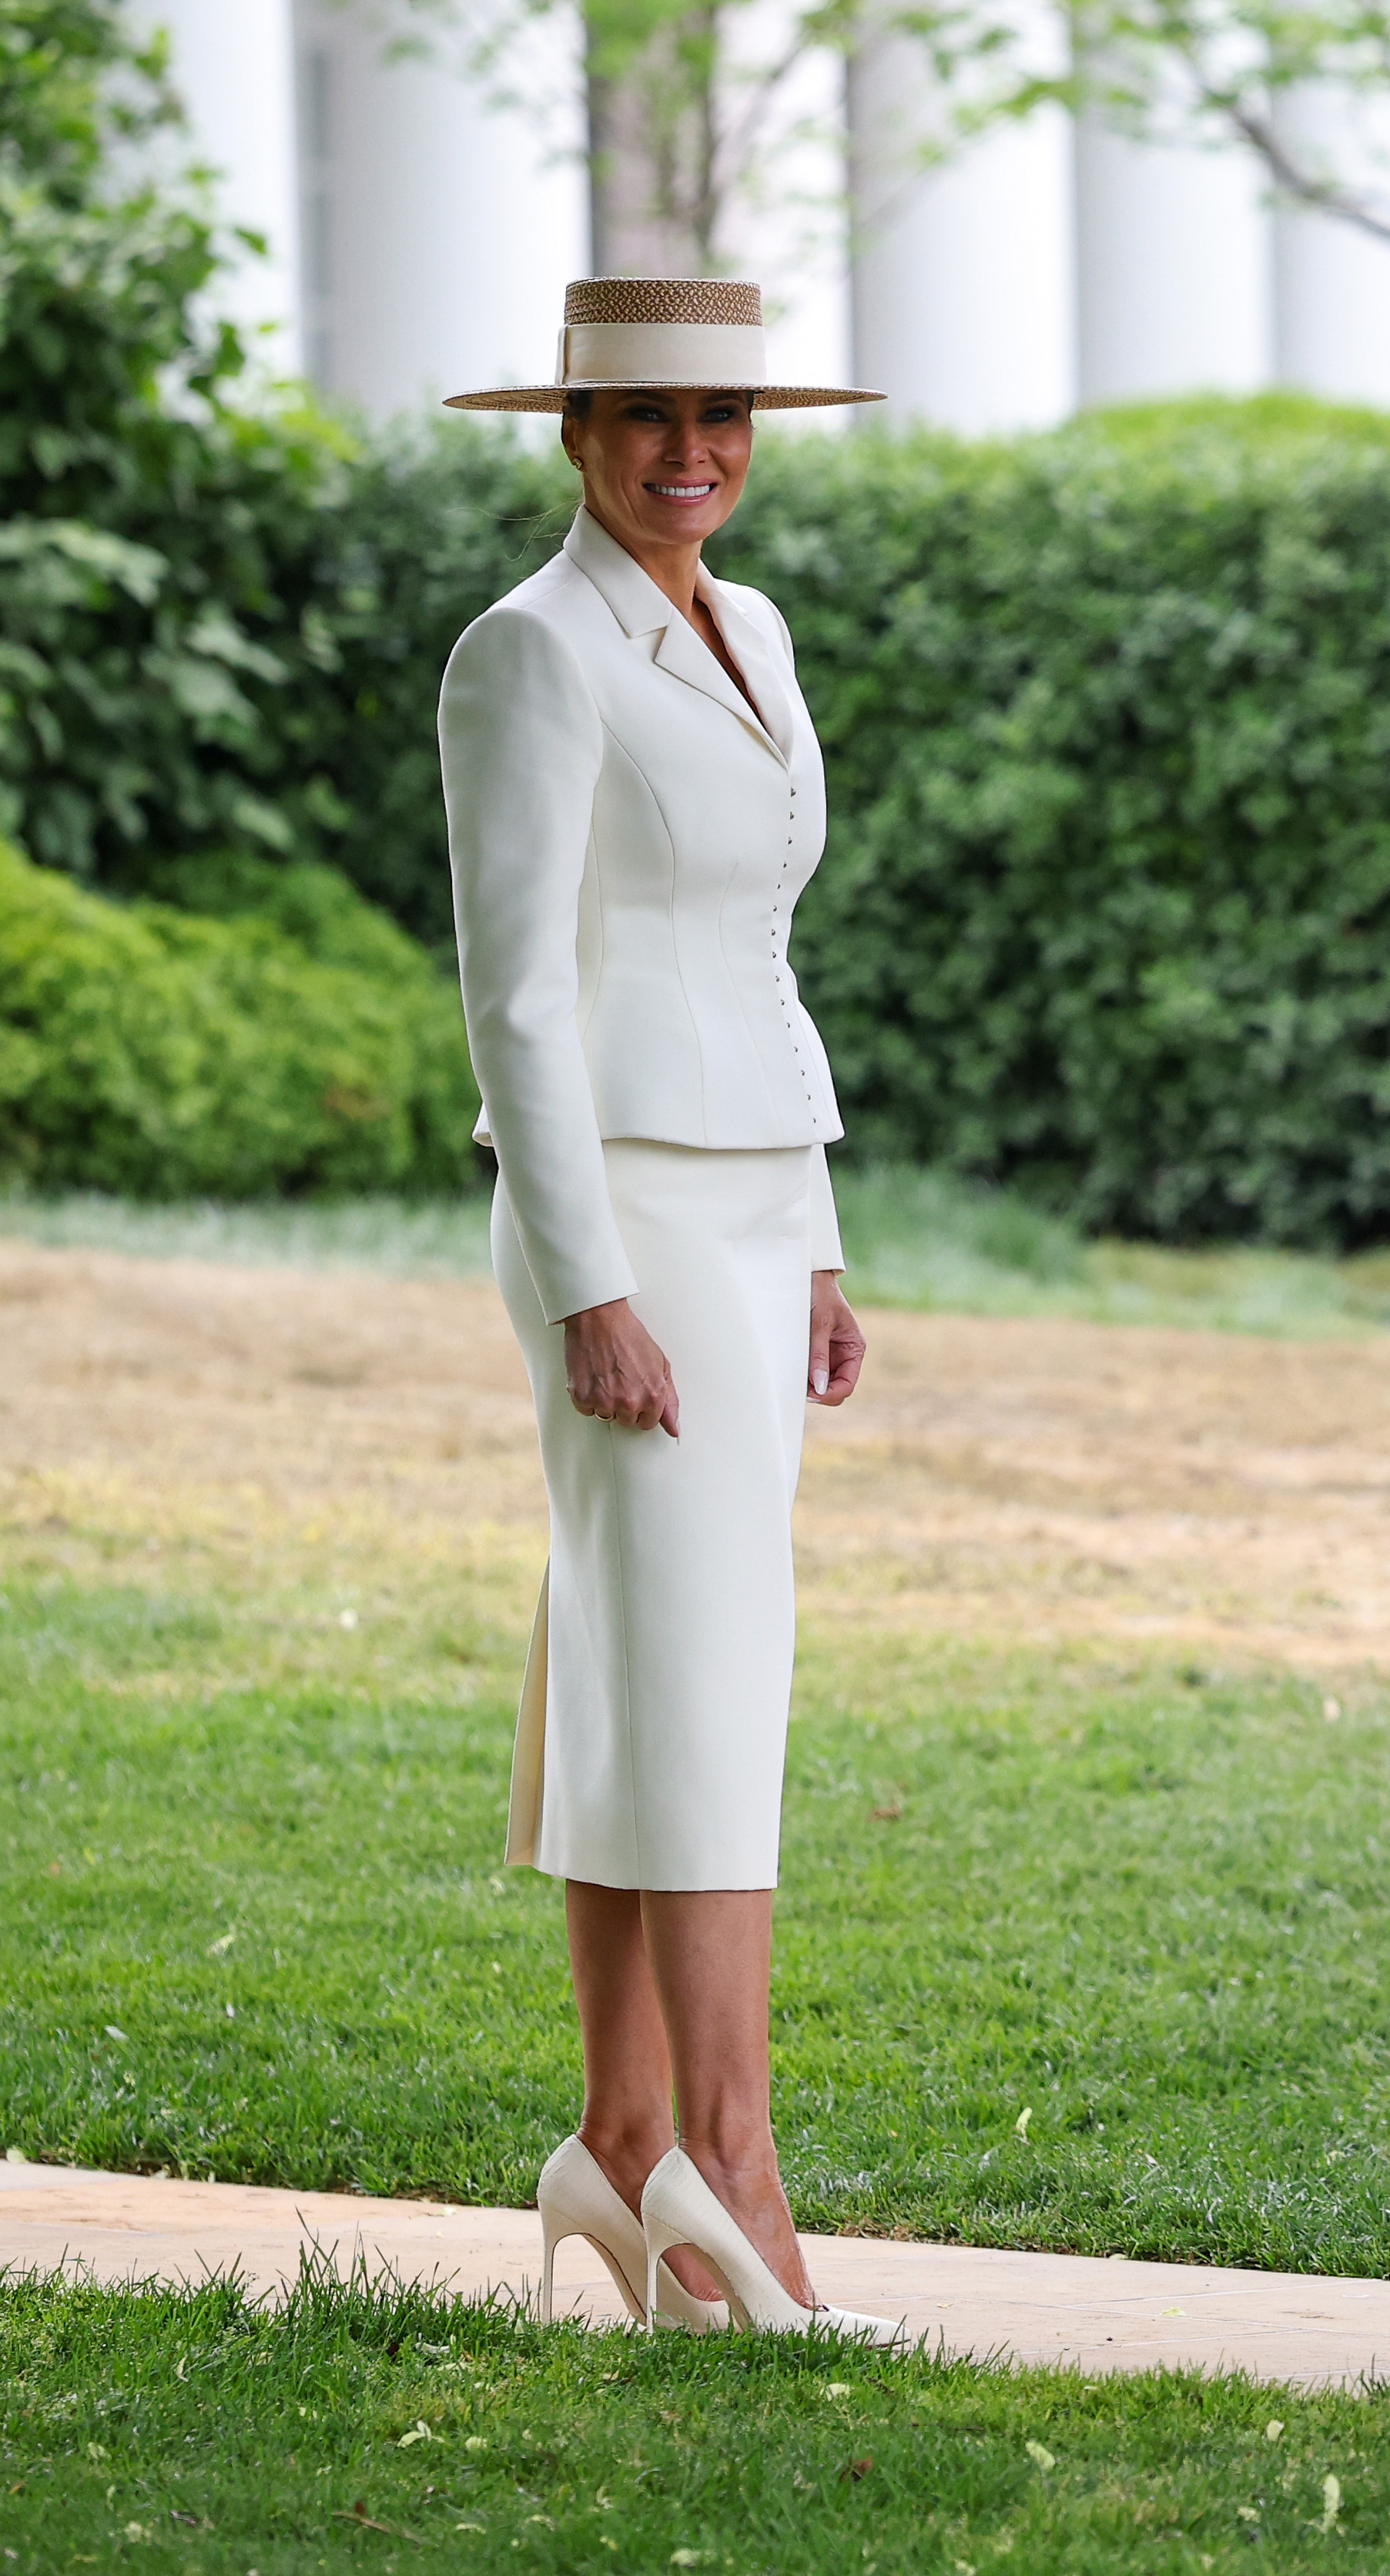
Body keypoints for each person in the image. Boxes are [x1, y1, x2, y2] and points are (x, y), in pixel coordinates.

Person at [437, 277, 899, 2343]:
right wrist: (584, 1282)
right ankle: (733, 2162)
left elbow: (752, 949)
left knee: (646, 1667)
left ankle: (626, 2148)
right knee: (705, 1682)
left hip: (737, 1206)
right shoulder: (526, 655)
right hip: (614, 1217)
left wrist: (808, 1227)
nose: (685, 448)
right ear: (574, 432)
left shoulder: (752, 626)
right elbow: (518, 994)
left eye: (720, 413)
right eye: (642, 415)